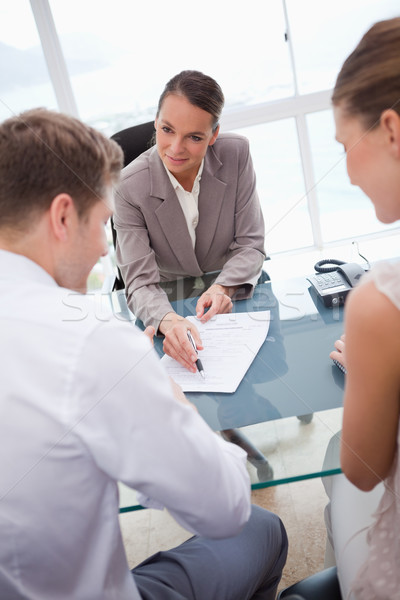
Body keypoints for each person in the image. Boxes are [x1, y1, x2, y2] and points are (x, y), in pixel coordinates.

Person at [0, 108, 288, 599]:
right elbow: (224, 507)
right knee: (262, 529)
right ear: (63, 216)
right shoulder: (90, 342)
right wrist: (170, 399)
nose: (100, 250)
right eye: (101, 224)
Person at [114, 70, 266, 372]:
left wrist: (224, 288)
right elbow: (141, 282)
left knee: (256, 368)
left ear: (214, 135)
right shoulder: (128, 186)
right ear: (156, 121)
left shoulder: (236, 154)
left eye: (194, 137)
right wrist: (168, 321)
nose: (175, 148)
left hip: (230, 282)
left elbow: (250, 243)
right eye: (167, 129)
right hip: (168, 292)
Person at [323, 17, 400, 600]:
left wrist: (371, 374)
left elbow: (364, 470)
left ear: (392, 130)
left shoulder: (380, 303)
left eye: (346, 146)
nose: (347, 172)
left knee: (334, 463)